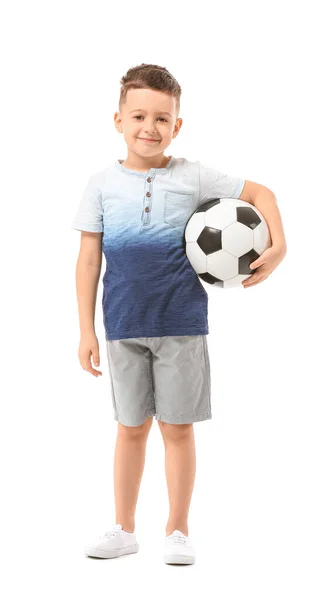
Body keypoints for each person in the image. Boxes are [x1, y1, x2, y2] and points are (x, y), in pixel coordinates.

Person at [71, 63, 287, 565]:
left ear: (177, 125)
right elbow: (87, 260)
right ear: (119, 120)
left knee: (178, 428)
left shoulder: (192, 176)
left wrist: (279, 245)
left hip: (183, 327)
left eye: (162, 119)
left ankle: (177, 531)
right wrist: (86, 329)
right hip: (123, 326)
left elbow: (262, 194)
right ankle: (123, 528)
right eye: (139, 116)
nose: (150, 127)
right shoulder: (101, 184)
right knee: (129, 428)